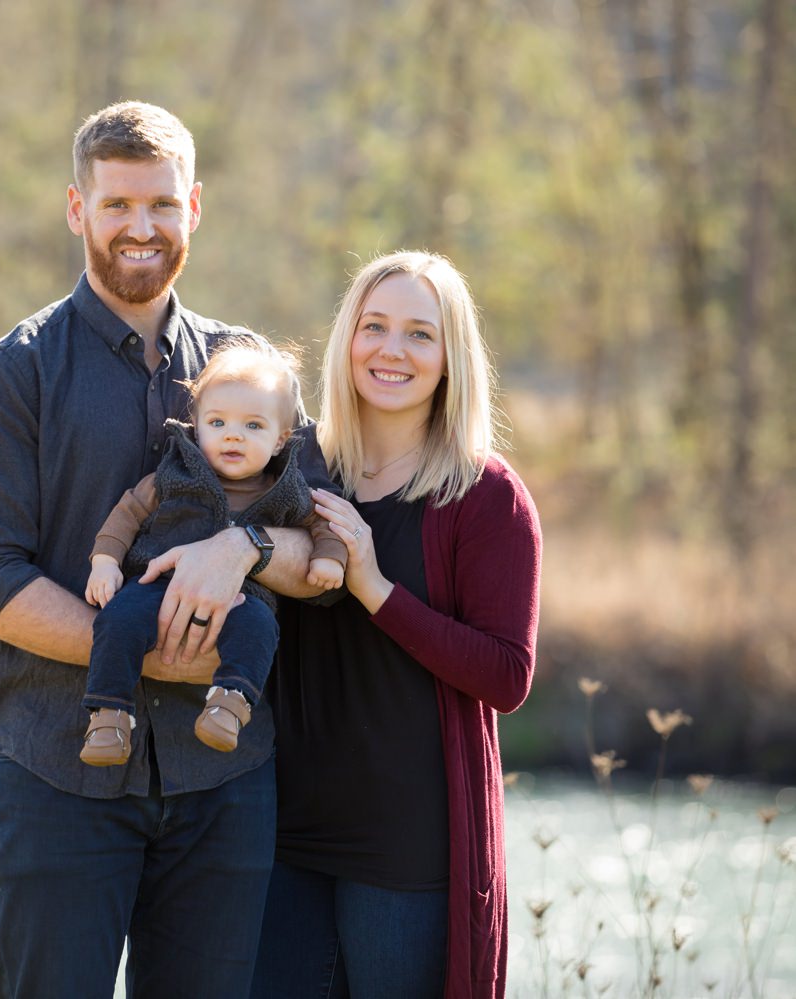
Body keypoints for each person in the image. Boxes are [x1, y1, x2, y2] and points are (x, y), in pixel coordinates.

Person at [0, 102, 329, 998]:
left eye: (160, 203)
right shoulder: (15, 372)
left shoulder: (251, 374)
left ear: (195, 205)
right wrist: (145, 654)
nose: (140, 227)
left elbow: (318, 544)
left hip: (223, 781)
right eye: (117, 205)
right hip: (58, 770)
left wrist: (247, 546)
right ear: (78, 209)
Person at [251, 250, 542, 999]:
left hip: (409, 856)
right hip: (285, 833)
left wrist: (375, 588)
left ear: (451, 358)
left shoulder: (485, 497)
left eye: (420, 333)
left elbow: (507, 676)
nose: (391, 349)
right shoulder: (298, 468)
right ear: (348, 338)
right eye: (374, 326)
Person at [80, 337, 346, 766]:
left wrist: (329, 557)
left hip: (241, 599)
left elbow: (321, 521)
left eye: (253, 427)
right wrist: (105, 561)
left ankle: (230, 703)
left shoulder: (285, 487)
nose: (233, 436)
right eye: (218, 423)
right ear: (197, 425)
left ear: (280, 440)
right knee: (117, 621)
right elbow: (129, 511)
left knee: (260, 630)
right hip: (156, 584)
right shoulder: (176, 470)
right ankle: (108, 713)